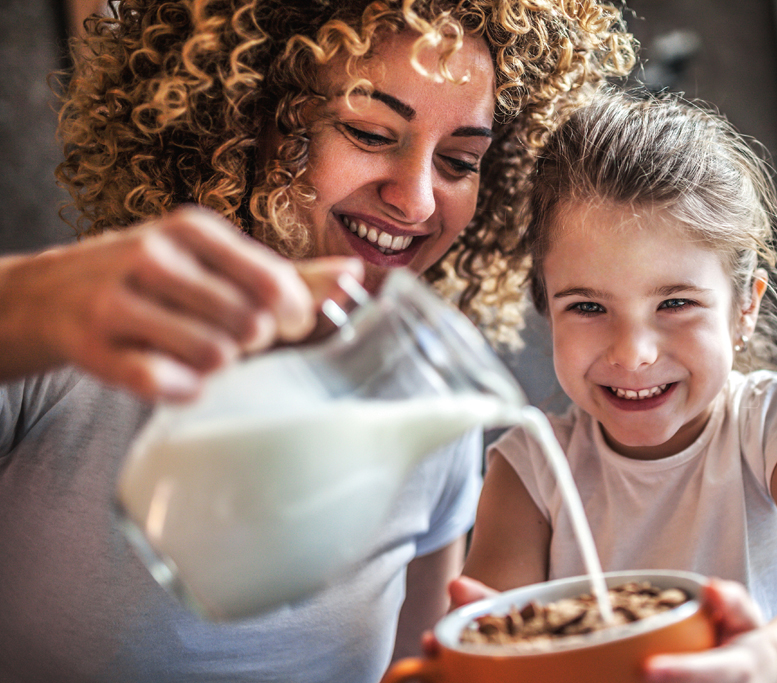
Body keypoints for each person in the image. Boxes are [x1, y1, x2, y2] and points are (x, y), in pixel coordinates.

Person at [0, 1, 634, 681]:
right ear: (246, 117)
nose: (417, 202)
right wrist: (27, 301)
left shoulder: (430, 417)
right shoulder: (67, 344)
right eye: (368, 131)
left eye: (458, 161)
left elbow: (410, 670)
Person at [458, 89, 777, 683]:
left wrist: (768, 659)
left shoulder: (770, 424)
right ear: (545, 308)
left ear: (743, 310)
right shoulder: (530, 467)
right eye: (587, 306)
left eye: (675, 302)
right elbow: (496, 642)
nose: (633, 353)